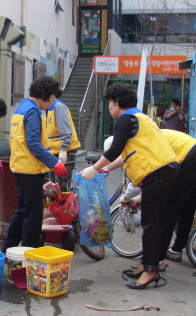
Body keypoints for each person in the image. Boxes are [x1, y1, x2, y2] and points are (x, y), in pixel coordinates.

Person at [80, 82, 179, 289]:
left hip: (157, 174)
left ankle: (151, 271)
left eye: (110, 103)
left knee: (151, 224)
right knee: (150, 222)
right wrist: (106, 168)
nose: (108, 107)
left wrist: (95, 168)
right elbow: (126, 154)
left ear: (117, 103)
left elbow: (115, 149)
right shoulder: (140, 117)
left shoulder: (126, 119)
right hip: (164, 171)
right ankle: (146, 265)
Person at [2, 76, 67, 253]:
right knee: (33, 215)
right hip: (30, 169)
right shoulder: (33, 111)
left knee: (22, 210)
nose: (52, 103)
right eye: (52, 98)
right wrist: (54, 162)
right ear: (44, 95)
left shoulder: (22, 107)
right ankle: (28, 255)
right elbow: (33, 143)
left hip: (20, 167)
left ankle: (8, 249)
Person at [159, 129, 196, 263]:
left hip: (189, 158)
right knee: (188, 207)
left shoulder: (145, 142)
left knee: (170, 208)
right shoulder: (151, 132)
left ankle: (157, 258)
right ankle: (176, 250)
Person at [46, 97, 81, 191]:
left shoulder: (58, 107)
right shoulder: (50, 107)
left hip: (65, 151)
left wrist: (63, 149)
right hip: (55, 151)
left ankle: (64, 205)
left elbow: (66, 131)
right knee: (54, 186)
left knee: (61, 185)